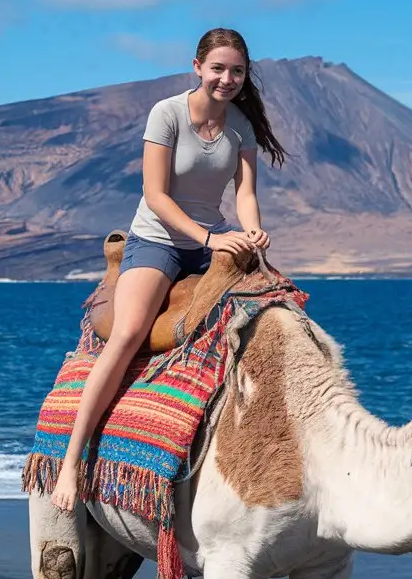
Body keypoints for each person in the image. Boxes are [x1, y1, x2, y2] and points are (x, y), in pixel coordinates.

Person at [50, 26, 285, 512]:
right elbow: (156, 195)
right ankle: (73, 462)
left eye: (236, 71)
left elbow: (245, 193)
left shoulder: (240, 125)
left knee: (274, 308)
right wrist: (208, 238)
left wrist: (254, 232)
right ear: (197, 67)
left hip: (212, 239)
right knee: (129, 332)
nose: (227, 78)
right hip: (159, 239)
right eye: (218, 68)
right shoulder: (168, 113)